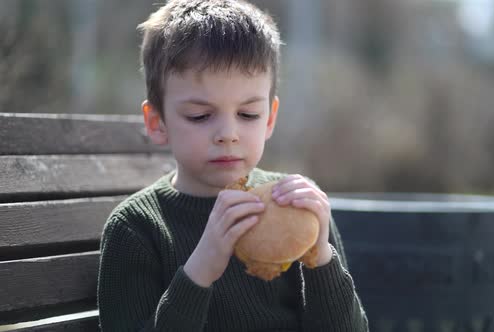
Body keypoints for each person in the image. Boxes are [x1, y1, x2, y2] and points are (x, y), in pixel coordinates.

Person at [97, 0, 369, 331]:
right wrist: (200, 271)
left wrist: (320, 260)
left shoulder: (294, 207)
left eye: (248, 114)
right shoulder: (137, 228)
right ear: (157, 123)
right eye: (200, 115)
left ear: (269, 119)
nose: (228, 134)